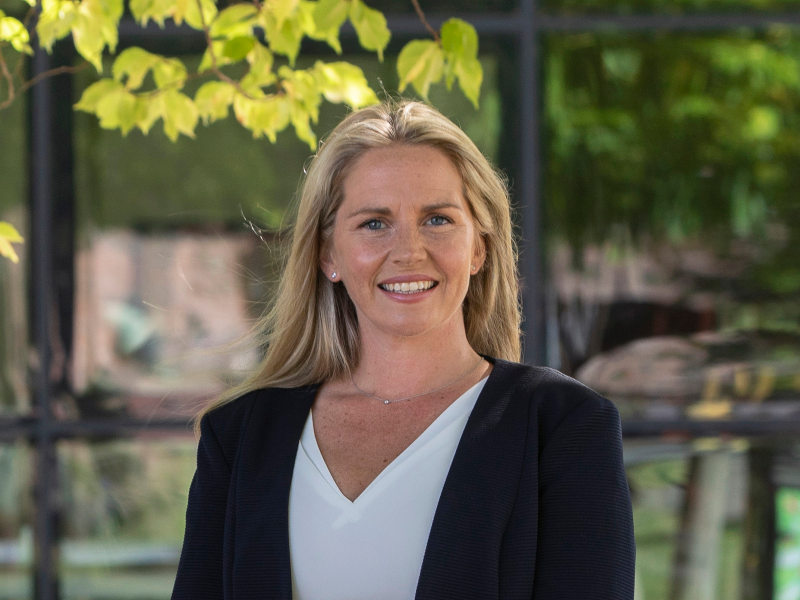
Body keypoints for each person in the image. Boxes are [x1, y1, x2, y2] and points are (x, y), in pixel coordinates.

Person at [171, 99, 635, 600]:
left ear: (478, 247)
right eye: (374, 223)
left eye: (437, 219)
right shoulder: (239, 437)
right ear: (328, 254)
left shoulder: (562, 428)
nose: (409, 251)